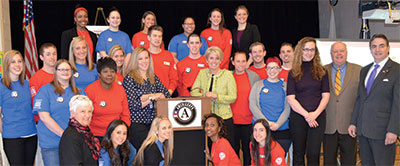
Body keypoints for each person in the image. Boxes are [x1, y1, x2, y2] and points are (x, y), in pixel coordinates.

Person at [348, 34, 399, 165]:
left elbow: (398, 103)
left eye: (381, 46)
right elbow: (360, 99)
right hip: (363, 131)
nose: (377, 49)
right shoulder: (365, 70)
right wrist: (353, 122)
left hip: (383, 133)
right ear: (370, 49)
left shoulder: (397, 70)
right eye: (374, 46)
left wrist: (393, 130)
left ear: (388, 48)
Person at [286, 37, 329, 166]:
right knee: (298, 153)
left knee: (313, 153)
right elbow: (290, 98)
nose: (309, 52)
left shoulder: (322, 71)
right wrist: (307, 115)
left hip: (318, 118)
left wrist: (314, 115)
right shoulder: (293, 72)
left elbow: (326, 96)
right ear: (300, 51)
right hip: (298, 118)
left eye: (312, 49)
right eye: (306, 49)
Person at [33, 59, 83, 165]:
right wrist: (65, 135)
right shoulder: (45, 90)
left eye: (68, 69)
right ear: (55, 72)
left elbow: (86, 115)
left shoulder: (79, 92)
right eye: (61, 69)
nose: (65, 72)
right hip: (52, 143)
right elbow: (44, 117)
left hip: (73, 144)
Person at [122, 47, 170, 150]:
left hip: (154, 123)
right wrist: (153, 97)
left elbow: (166, 95)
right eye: (140, 59)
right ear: (135, 61)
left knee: (158, 150)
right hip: (137, 123)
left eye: (146, 58)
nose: (144, 61)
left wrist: (147, 97)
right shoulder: (130, 78)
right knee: (149, 149)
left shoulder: (152, 77)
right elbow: (134, 105)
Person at [323, 42, 361, 165]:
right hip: (328, 126)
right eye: (335, 51)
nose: (339, 54)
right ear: (330, 54)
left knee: (349, 161)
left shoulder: (359, 70)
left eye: (341, 51)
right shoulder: (322, 71)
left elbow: (362, 99)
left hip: (350, 126)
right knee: (328, 161)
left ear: (346, 52)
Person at [191, 46, 237, 146]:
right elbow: (193, 92)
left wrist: (217, 97)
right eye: (211, 58)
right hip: (207, 118)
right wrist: (204, 95)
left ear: (221, 60)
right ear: (207, 60)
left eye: (217, 58)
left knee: (226, 148)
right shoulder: (202, 73)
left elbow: (233, 97)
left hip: (224, 118)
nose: (214, 61)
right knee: (209, 148)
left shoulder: (228, 75)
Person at [0, 50, 37, 165]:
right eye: (13, 62)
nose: (17, 65)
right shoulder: (1, 86)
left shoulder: (26, 84)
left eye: (20, 61)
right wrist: (6, 131)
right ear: (7, 65)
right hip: (12, 137)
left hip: (31, 134)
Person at [249, 57, 291, 154]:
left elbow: (288, 107)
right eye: (269, 68)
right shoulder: (258, 85)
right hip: (261, 130)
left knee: (279, 160)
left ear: (280, 69)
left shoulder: (286, 86)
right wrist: (265, 123)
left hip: (282, 129)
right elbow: (252, 104)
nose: (272, 71)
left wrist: (278, 124)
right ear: (266, 69)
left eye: (275, 68)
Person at [85, 57, 131, 141]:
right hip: (95, 135)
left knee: (132, 152)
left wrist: (122, 132)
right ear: (99, 74)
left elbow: (125, 115)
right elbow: (84, 116)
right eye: (105, 71)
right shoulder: (90, 90)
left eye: (112, 71)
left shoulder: (120, 90)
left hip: (117, 135)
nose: (109, 74)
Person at [230, 51, 260, 165]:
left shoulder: (253, 77)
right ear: (233, 62)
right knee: (234, 151)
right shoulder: (228, 76)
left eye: (243, 61)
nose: (241, 64)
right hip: (232, 121)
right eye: (238, 61)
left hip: (249, 121)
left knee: (249, 152)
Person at [59, 95, 100, 165]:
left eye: (89, 111)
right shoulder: (70, 136)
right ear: (72, 113)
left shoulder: (86, 133)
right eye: (83, 111)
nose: (87, 115)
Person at [30, 43, 58, 122]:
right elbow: (36, 104)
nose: (52, 57)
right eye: (48, 54)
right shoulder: (36, 79)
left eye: (54, 54)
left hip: (62, 119)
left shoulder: (62, 74)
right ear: (41, 57)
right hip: (45, 122)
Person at [147, 25, 178, 95]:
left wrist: (169, 92)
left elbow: (174, 78)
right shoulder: (143, 55)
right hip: (148, 97)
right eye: (155, 36)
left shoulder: (168, 55)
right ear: (148, 37)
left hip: (165, 97)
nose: (157, 38)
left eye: (159, 36)